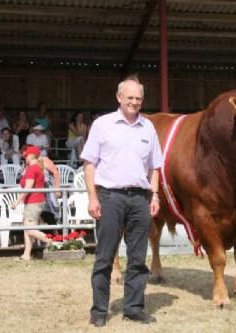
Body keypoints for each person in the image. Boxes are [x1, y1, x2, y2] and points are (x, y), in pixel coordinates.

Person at [81, 75, 163, 327]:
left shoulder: (148, 127)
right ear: (119, 98)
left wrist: (155, 194)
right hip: (110, 197)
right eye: (130, 98)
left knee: (138, 258)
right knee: (105, 257)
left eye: (139, 98)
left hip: (140, 199)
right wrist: (93, 197)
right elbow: (89, 163)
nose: (135, 102)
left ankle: (134, 308)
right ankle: (99, 311)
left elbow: (155, 167)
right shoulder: (102, 125)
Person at [11, 145, 52, 261]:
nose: (25, 158)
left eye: (26, 155)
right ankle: (26, 254)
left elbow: (28, 187)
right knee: (27, 228)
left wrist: (17, 201)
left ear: (31, 156)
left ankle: (52, 241)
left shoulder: (32, 168)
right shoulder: (37, 167)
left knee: (29, 229)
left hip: (33, 202)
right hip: (35, 201)